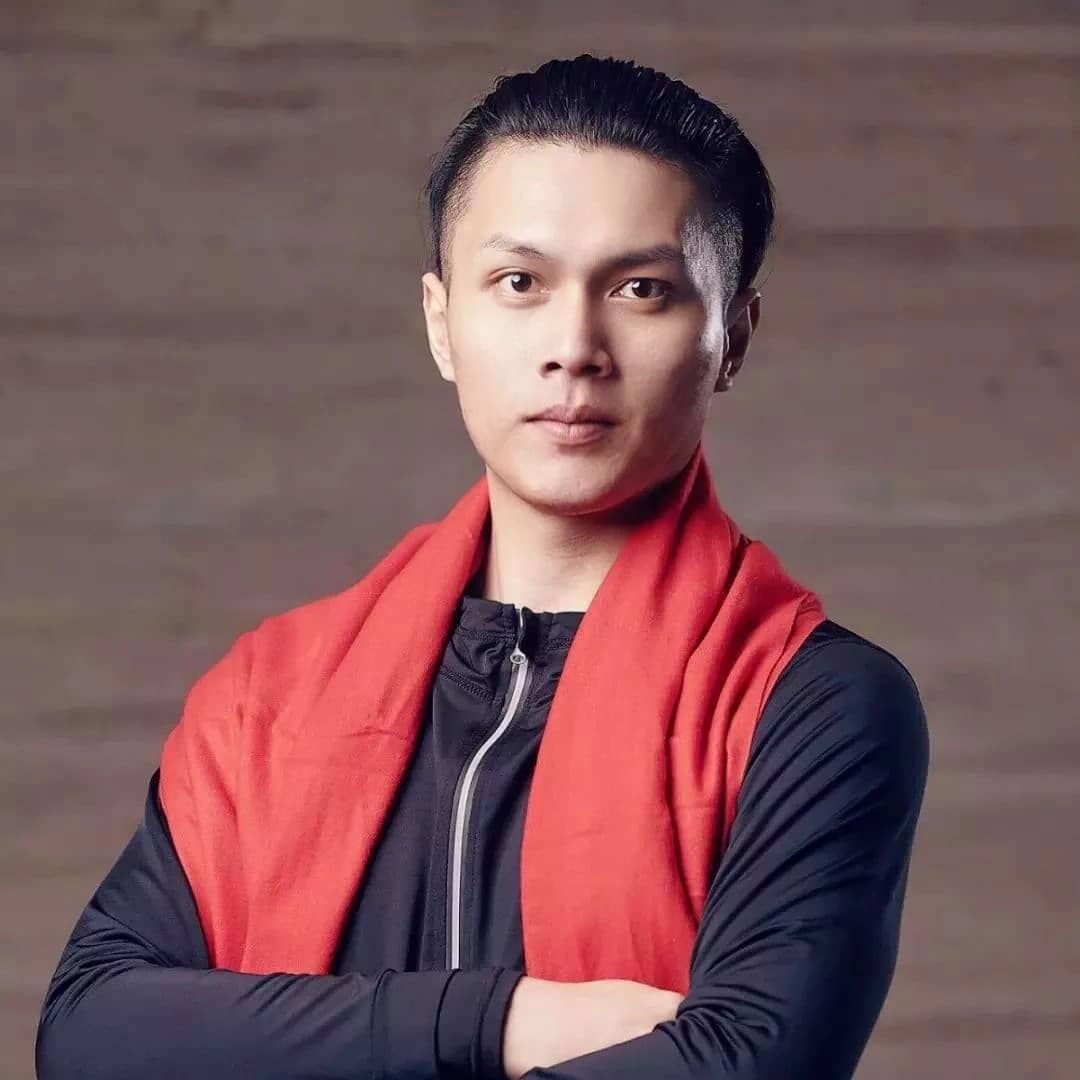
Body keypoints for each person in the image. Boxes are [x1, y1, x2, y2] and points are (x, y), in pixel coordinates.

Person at [36, 54, 929, 1079]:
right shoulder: (268, 695)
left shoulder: (813, 705)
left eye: (641, 290)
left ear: (731, 338)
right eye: (520, 284)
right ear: (441, 323)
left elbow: (738, 1066)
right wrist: (501, 1021)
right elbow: (91, 1032)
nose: (574, 346)